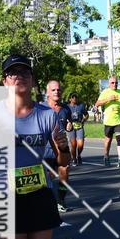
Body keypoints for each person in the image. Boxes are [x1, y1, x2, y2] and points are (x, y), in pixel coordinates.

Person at [0, 54, 67, 239]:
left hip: (39, 194)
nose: (19, 76)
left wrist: (63, 150)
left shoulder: (47, 115)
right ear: (5, 81)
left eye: (24, 72)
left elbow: (64, 160)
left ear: (32, 79)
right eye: (13, 73)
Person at [45, 79, 73, 212]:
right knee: (48, 176)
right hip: (46, 149)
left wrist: (69, 127)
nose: (57, 92)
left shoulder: (66, 109)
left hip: (62, 147)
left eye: (59, 89)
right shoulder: (41, 108)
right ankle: (48, 201)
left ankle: (61, 200)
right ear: (48, 93)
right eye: (53, 90)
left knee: (65, 170)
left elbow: (68, 125)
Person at [95, 75, 120, 167]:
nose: (114, 84)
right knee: (108, 141)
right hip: (108, 120)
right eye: (112, 83)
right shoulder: (105, 92)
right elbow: (97, 104)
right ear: (109, 84)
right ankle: (106, 155)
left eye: (116, 83)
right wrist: (108, 99)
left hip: (119, 120)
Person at [67, 92, 88, 166]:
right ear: (70, 99)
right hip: (71, 127)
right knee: (73, 145)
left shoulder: (81, 106)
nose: (74, 98)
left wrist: (83, 120)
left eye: (76, 97)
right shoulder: (67, 107)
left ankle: (78, 155)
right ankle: (74, 159)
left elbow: (86, 115)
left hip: (79, 126)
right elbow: (63, 116)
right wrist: (67, 123)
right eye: (73, 97)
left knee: (80, 144)